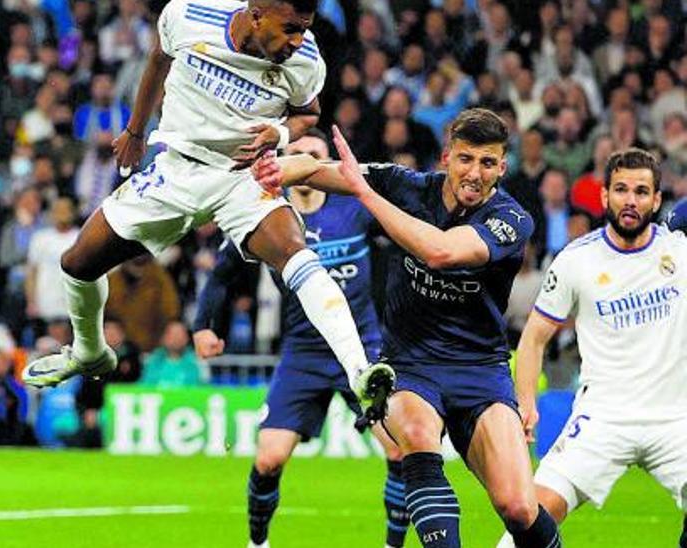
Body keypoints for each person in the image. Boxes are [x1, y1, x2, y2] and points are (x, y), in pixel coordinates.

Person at [21, 0, 394, 426]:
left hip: (242, 177)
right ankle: (89, 351)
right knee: (77, 263)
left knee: (296, 252)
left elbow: (309, 113)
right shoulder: (189, 15)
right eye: (290, 28)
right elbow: (159, 56)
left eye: (304, 29)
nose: (298, 40)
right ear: (256, 15)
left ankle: (360, 370)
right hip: (177, 168)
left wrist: (280, 132)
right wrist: (135, 131)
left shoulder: (307, 59)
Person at [253, 108, 561, 547]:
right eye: (466, 159)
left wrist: (367, 196)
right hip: (410, 364)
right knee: (415, 437)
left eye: (488, 163)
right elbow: (318, 169)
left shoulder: (512, 219)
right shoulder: (408, 186)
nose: (475, 173)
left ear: (503, 167)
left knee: (518, 507)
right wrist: (273, 168)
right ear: (446, 158)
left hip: (480, 370)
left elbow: (441, 252)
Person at [194, 132, 410, 548]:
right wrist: (207, 323)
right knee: (269, 459)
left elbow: (405, 239)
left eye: (313, 155)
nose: (304, 161)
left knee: (400, 449)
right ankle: (258, 544)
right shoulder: (264, 215)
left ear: (326, 164)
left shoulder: (354, 207)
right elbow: (223, 273)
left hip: (362, 347)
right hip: (303, 352)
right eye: (294, 154)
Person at [498, 149, 687, 547]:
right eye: (620, 190)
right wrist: (526, 402)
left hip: (675, 421)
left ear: (656, 200)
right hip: (603, 419)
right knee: (527, 518)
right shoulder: (576, 260)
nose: (630, 200)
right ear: (604, 198)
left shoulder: (679, 251)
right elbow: (533, 337)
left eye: (641, 191)